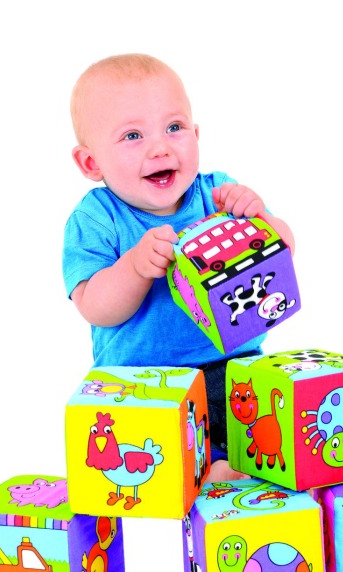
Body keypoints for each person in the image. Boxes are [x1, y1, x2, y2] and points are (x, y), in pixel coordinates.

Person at [63, 53, 295, 482]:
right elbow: (94, 306)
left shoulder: (218, 194)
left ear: (196, 134)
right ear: (91, 163)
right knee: (155, 457)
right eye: (133, 135)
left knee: (267, 430)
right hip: (140, 383)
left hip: (232, 369)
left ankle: (232, 469)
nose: (160, 147)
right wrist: (134, 268)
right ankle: (205, 471)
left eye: (174, 127)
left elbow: (284, 252)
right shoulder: (97, 217)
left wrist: (260, 218)